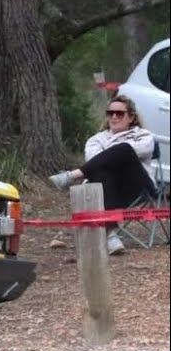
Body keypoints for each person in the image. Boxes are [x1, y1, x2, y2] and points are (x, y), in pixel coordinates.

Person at [49, 95, 155, 255]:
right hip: (109, 188)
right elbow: (94, 162)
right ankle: (111, 234)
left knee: (125, 149)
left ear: (131, 117)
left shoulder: (144, 135)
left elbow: (140, 150)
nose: (114, 116)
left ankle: (71, 176)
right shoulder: (95, 139)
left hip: (138, 187)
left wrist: (114, 150)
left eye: (120, 113)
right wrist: (113, 156)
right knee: (103, 172)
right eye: (110, 112)